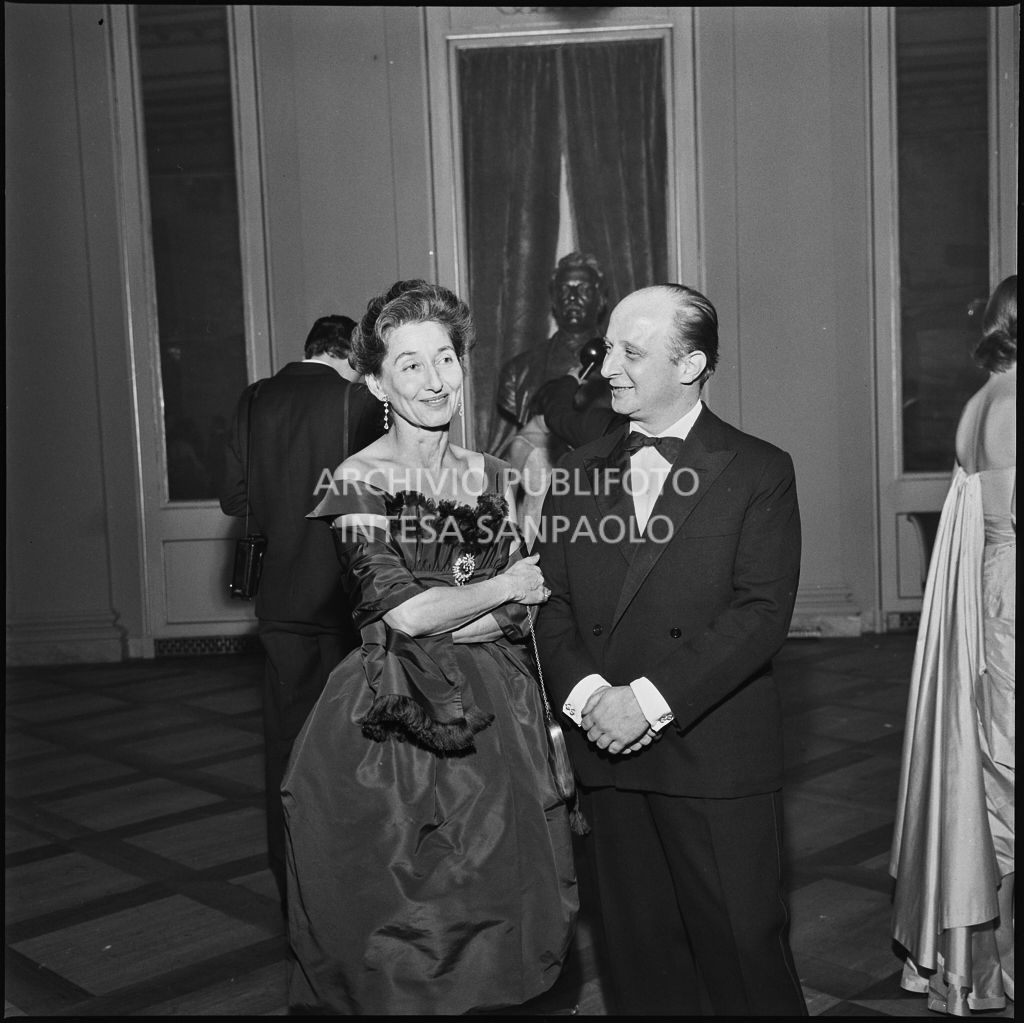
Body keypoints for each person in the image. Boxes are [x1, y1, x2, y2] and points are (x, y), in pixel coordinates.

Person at [282, 280, 578, 1015]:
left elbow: (521, 615)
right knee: (409, 913)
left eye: (444, 357)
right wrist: (503, 583)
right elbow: (406, 614)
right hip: (395, 716)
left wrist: (490, 601)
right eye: (409, 364)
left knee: (504, 898)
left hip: (501, 710)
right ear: (377, 381)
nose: (434, 379)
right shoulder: (356, 479)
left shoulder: (491, 474)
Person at [534, 283, 808, 1015]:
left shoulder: (758, 471)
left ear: (690, 365)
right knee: (640, 966)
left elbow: (759, 614)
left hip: (711, 753)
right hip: (609, 764)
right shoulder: (576, 471)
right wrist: (593, 701)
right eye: (607, 348)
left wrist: (646, 704)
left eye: (631, 351)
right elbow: (551, 604)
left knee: (745, 954)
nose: (606, 367)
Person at [219, 313, 383, 912]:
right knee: (353, 740)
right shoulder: (357, 401)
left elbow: (234, 498)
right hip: (348, 598)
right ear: (349, 356)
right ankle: (348, 880)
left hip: (281, 600)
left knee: (286, 741)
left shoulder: (255, 398)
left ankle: (290, 876)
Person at [890, 273, 1016, 1014]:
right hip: (1009, 597)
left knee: (989, 770)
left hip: (989, 591)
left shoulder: (981, 401)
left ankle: (977, 963)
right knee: (1003, 775)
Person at [488, 251, 608, 462]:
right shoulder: (518, 371)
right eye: (564, 289)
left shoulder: (625, 367)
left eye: (584, 290)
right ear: (553, 299)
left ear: (601, 300)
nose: (572, 297)